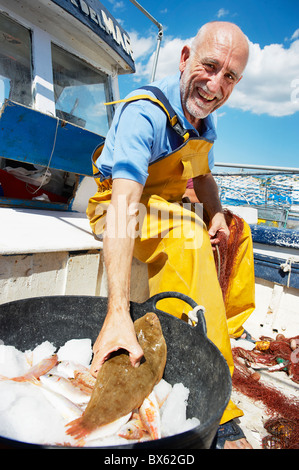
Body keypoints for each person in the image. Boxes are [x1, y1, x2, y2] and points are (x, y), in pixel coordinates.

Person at [86, 21, 255, 448]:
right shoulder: (145, 112)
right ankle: (219, 404)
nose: (215, 86)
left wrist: (217, 215)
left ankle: (225, 330)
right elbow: (124, 204)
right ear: (184, 59)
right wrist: (117, 312)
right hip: (117, 206)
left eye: (230, 76)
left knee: (239, 231)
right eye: (209, 66)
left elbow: (204, 178)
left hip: (162, 204)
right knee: (189, 234)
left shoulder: (205, 123)